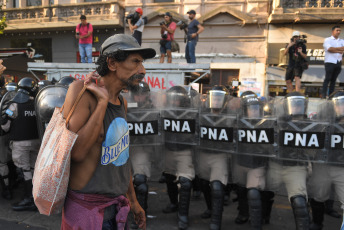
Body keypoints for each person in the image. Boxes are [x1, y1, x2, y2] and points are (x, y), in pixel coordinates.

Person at [61, 34, 156, 229]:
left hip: (117, 207)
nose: (143, 70)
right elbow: (75, 153)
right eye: (136, 62)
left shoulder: (123, 102)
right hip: (86, 212)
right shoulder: (80, 90)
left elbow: (121, 158)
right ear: (112, 63)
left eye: (142, 63)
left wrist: (134, 201)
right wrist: (102, 102)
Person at [267, 91, 310, 229]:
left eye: (299, 104)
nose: (297, 108)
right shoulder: (277, 122)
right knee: (263, 192)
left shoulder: (310, 125)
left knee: (299, 202)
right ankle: (262, 218)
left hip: (296, 167)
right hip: (276, 165)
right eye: (294, 104)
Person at [1, 77, 40, 211]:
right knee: (35, 170)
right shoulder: (38, 103)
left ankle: (28, 199)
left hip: (20, 143)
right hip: (36, 142)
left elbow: (5, 126)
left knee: (24, 171)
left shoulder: (14, 105)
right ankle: (37, 199)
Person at [161, 86, 197, 230]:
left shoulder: (191, 113)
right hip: (169, 149)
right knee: (169, 178)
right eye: (173, 99)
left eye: (178, 99)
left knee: (185, 182)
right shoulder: (164, 112)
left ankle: (183, 215)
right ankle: (173, 203)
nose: (175, 102)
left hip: (185, 151)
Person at [308, 90, 344, 230]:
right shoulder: (321, 120)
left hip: (342, 167)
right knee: (318, 195)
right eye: (340, 104)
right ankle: (317, 222)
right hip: (322, 165)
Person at [198, 85, 231, 230]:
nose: (216, 100)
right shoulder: (201, 114)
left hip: (220, 156)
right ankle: (210, 208)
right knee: (204, 184)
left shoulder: (230, 116)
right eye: (214, 97)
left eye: (219, 98)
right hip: (204, 154)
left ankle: (216, 220)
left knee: (217, 187)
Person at [322, 26, 344, 98]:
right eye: (337, 30)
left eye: (339, 30)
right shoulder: (328, 40)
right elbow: (329, 49)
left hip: (338, 62)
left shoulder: (342, 41)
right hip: (330, 62)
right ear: (333, 31)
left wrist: (336, 49)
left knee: (333, 80)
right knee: (327, 79)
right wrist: (339, 50)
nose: (338, 32)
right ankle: (323, 95)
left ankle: (331, 95)